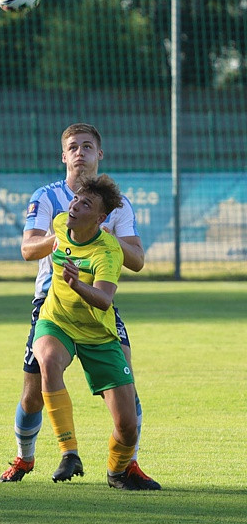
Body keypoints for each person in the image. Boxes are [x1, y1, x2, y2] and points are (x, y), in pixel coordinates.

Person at [0, 123, 159, 487]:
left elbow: (137, 258)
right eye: (73, 147)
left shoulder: (114, 205)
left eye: (88, 146)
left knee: (127, 385)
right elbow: (27, 249)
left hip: (97, 302)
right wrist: (62, 239)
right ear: (64, 156)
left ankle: (126, 464)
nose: (80, 152)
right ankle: (24, 458)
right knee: (33, 395)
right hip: (51, 300)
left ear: (99, 154)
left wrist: (99, 238)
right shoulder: (48, 198)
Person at [32, 174, 160, 490]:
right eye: (75, 199)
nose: (74, 206)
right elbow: (35, 247)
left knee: (127, 426)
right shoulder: (61, 223)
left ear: (101, 219)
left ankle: (117, 473)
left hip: (98, 335)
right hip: (57, 321)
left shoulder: (108, 252)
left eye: (84, 204)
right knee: (47, 360)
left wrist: (78, 284)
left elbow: (104, 300)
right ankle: (69, 453)